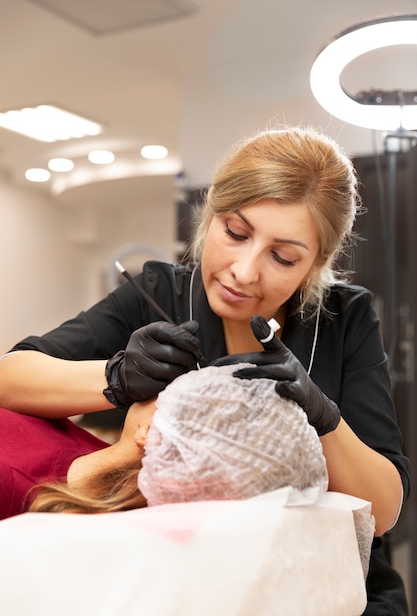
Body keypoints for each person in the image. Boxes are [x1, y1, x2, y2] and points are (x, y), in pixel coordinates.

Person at [0, 126, 409, 615]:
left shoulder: (345, 319)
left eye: (282, 257)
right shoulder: (160, 292)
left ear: (315, 263)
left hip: (328, 584)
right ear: (211, 214)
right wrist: (116, 377)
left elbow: (383, 512)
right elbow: (11, 375)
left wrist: (325, 421)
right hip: (186, 579)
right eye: (235, 233)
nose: (244, 270)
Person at [1, 362, 330, 516]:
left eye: (172, 388)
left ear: (150, 436)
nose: (159, 385)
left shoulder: (13, 479)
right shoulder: (94, 457)